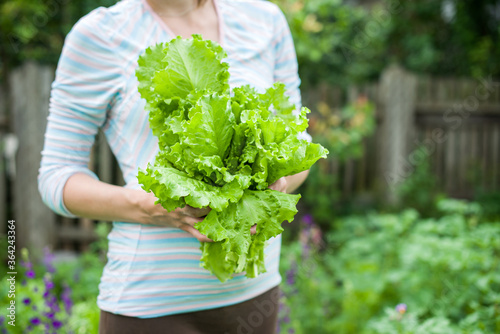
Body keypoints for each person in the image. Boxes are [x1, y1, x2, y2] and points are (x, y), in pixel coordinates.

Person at [38, 0, 311, 333]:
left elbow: (299, 147)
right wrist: (152, 206)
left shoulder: (264, 20)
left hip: (256, 295)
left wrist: (275, 183)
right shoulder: (101, 35)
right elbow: (57, 175)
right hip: (152, 306)